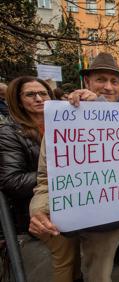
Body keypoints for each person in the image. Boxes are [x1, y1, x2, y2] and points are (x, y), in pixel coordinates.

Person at [29, 52, 119, 282]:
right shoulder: (63, 120)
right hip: (98, 223)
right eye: (101, 79)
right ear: (88, 82)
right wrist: (38, 209)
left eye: (114, 81)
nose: (108, 86)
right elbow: (46, 178)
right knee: (98, 276)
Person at [0, 76, 82, 282]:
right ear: (18, 101)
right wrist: (60, 174)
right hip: (41, 210)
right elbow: (12, 180)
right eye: (30, 94)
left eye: (43, 93)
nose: (38, 98)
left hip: (73, 199)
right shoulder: (9, 132)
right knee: (65, 258)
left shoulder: (64, 120)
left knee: (77, 258)